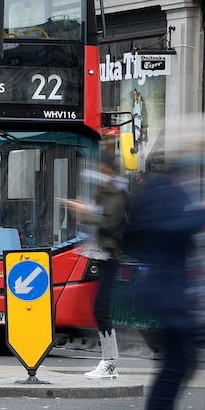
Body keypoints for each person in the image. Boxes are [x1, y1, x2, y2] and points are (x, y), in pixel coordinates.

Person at [124, 162, 205, 410]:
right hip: (166, 296)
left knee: (180, 365)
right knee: (173, 368)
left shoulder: (168, 193)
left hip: (173, 296)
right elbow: (170, 229)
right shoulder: (164, 192)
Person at [65, 151, 130, 380]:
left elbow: (109, 222)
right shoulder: (109, 190)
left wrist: (85, 212)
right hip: (103, 254)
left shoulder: (117, 192)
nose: (98, 169)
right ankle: (108, 362)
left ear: (107, 167)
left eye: (100, 165)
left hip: (110, 256)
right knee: (98, 309)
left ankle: (110, 363)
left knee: (101, 309)